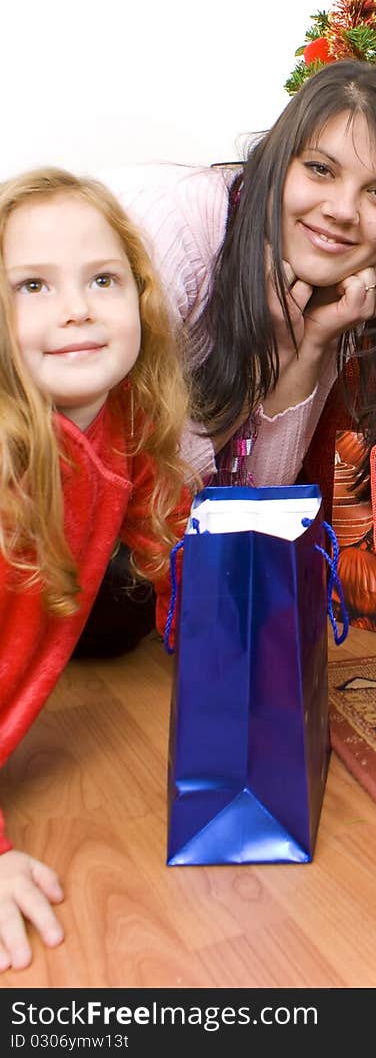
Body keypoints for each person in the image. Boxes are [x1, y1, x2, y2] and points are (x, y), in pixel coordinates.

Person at [0, 168, 193, 971]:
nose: (76, 307)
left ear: (139, 300)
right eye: (34, 285)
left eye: (102, 279)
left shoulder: (121, 419)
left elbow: (176, 551)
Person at [99, 60, 376, 495]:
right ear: (278, 163)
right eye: (320, 169)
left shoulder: (335, 285)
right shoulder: (172, 231)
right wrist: (261, 365)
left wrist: (308, 347)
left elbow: (257, 507)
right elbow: (128, 484)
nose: (342, 211)